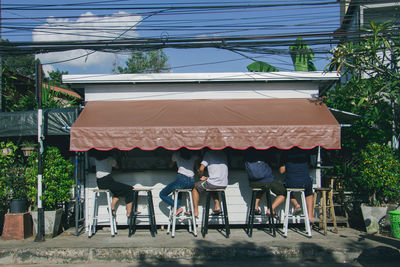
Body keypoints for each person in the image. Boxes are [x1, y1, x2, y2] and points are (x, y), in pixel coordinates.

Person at [245, 148, 301, 220]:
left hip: (253, 183)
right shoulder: (266, 150)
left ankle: (255, 206)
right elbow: (274, 163)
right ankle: (271, 210)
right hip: (266, 181)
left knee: (264, 187)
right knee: (284, 191)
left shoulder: (248, 150)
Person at [92, 150, 135, 218]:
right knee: (130, 189)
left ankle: (111, 207)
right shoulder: (110, 159)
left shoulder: (96, 159)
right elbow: (117, 167)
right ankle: (129, 212)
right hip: (107, 180)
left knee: (118, 191)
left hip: (99, 183)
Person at [279, 147, 316, 222]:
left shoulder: (285, 152)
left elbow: (281, 171)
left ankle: (296, 204)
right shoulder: (306, 151)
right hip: (305, 183)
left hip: (291, 182)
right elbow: (309, 165)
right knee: (309, 192)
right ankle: (310, 216)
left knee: (285, 188)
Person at [159, 148, 199, 216]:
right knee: (179, 191)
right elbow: (198, 169)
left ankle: (178, 207)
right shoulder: (194, 156)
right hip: (192, 181)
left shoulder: (176, 154)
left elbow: (170, 165)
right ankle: (178, 208)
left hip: (181, 179)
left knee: (162, 194)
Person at [192, 149, 228, 217]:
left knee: (194, 186)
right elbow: (219, 172)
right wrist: (207, 178)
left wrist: (200, 175)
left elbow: (201, 169)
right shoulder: (223, 153)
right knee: (210, 185)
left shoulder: (208, 154)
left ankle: (195, 211)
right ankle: (217, 206)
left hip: (213, 184)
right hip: (223, 184)